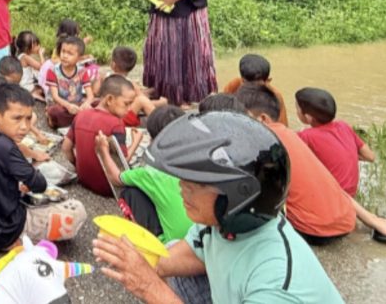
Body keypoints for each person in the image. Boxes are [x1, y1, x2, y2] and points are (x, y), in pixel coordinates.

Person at [93, 110, 346, 304]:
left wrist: (148, 286)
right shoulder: (221, 224)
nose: (182, 187)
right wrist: (144, 263)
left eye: (194, 183)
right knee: (167, 249)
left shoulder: (275, 279)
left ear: (238, 195)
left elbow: (152, 286)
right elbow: (190, 253)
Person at [236, 85, 386, 245]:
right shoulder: (292, 135)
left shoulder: (270, 142)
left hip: (315, 231)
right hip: (346, 219)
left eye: (244, 117)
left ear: (263, 118)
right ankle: (376, 222)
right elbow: (368, 157)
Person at [0, 82, 87, 251]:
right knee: (77, 211)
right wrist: (34, 170)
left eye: (28, 118)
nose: (25, 126)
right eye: (17, 118)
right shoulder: (7, 148)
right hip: (0, 231)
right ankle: (8, 242)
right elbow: (39, 184)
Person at [96, 105, 193, 243]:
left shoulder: (152, 172)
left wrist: (103, 150)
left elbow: (115, 178)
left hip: (172, 249)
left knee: (130, 192)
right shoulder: (196, 161)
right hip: (202, 246)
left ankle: (145, 243)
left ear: (154, 140)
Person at [61, 75, 137, 197]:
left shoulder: (81, 115)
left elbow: (66, 148)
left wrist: (78, 166)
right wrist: (135, 142)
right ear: (110, 99)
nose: (129, 109)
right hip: (108, 188)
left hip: (83, 180)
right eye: (126, 104)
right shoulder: (116, 124)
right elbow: (123, 164)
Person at [295, 87, 374, 197]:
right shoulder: (343, 126)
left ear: (308, 118)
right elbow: (370, 156)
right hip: (351, 194)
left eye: (297, 109)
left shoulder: (306, 136)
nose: (296, 112)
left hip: (332, 197)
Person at [92, 46, 167, 127]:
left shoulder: (106, 78)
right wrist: (161, 103)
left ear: (113, 64)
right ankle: (161, 124)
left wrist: (98, 79)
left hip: (109, 112)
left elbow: (96, 91)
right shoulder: (131, 84)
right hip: (121, 117)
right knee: (141, 100)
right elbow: (143, 100)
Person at [221, 54, 289, 127]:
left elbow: (282, 127)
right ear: (242, 80)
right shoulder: (233, 86)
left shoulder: (275, 97)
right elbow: (222, 109)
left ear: (267, 81)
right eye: (248, 84)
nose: (251, 89)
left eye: (256, 85)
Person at [42, 37, 95, 129]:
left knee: (98, 103)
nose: (65, 56)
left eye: (70, 53)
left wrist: (86, 103)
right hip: (60, 105)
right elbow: (55, 97)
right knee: (55, 111)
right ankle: (78, 118)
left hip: (77, 104)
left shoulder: (82, 71)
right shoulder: (52, 70)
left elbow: (90, 95)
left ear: (79, 58)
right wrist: (68, 106)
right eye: (63, 51)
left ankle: (76, 118)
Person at [14, 30, 45, 101]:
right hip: (26, 86)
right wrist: (41, 54)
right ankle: (32, 94)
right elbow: (43, 68)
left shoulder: (20, 55)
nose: (39, 46)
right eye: (37, 45)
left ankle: (34, 93)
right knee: (45, 87)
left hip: (23, 85)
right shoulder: (25, 58)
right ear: (32, 46)